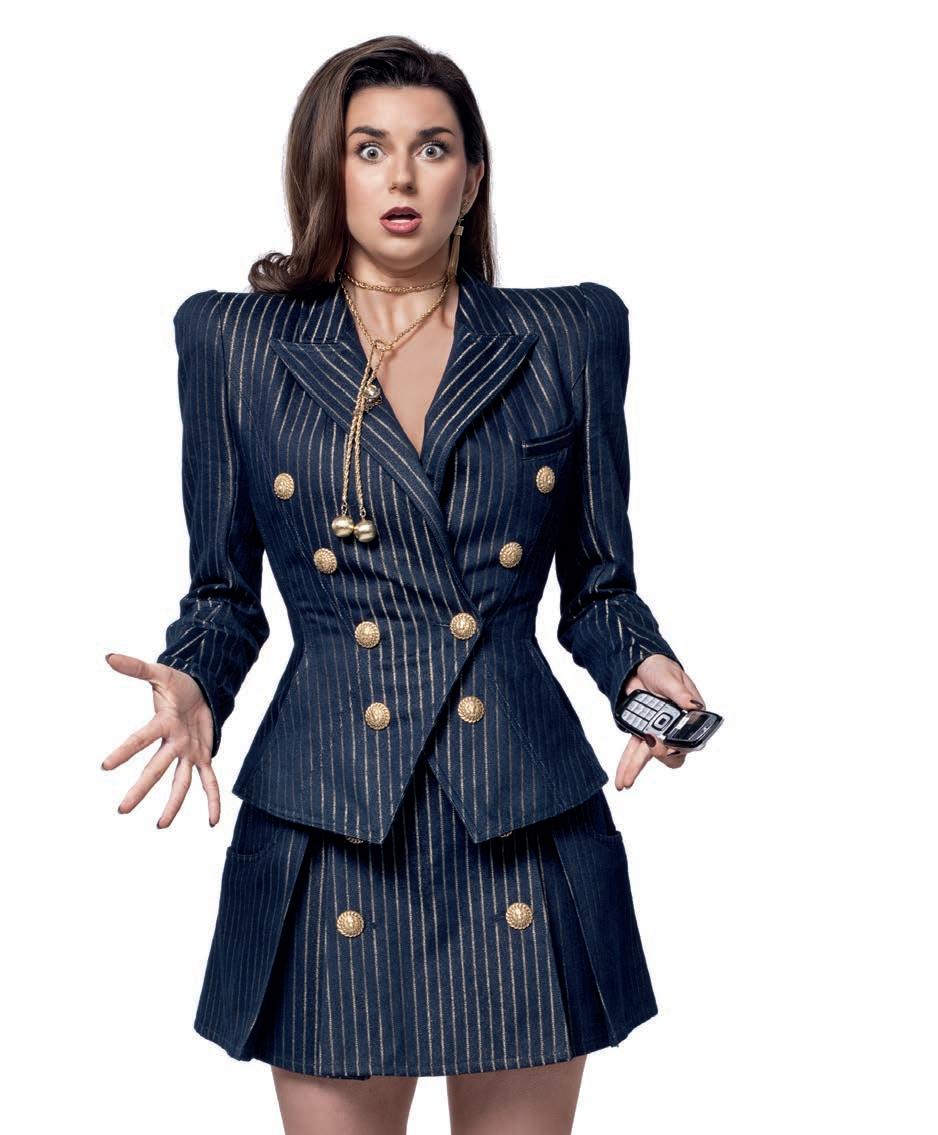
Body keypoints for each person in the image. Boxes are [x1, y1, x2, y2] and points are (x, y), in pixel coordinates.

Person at [103, 35, 708, 1135]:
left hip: (517, 806)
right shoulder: (237, 341)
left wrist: (643, 670)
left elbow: (599, 586)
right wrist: (194, 683)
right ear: (327, 172)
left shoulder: (567, 333)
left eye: (432, 148)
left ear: (470, 179)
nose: (401, 175)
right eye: (368, 147)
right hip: (331, 811)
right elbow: (223, 594)